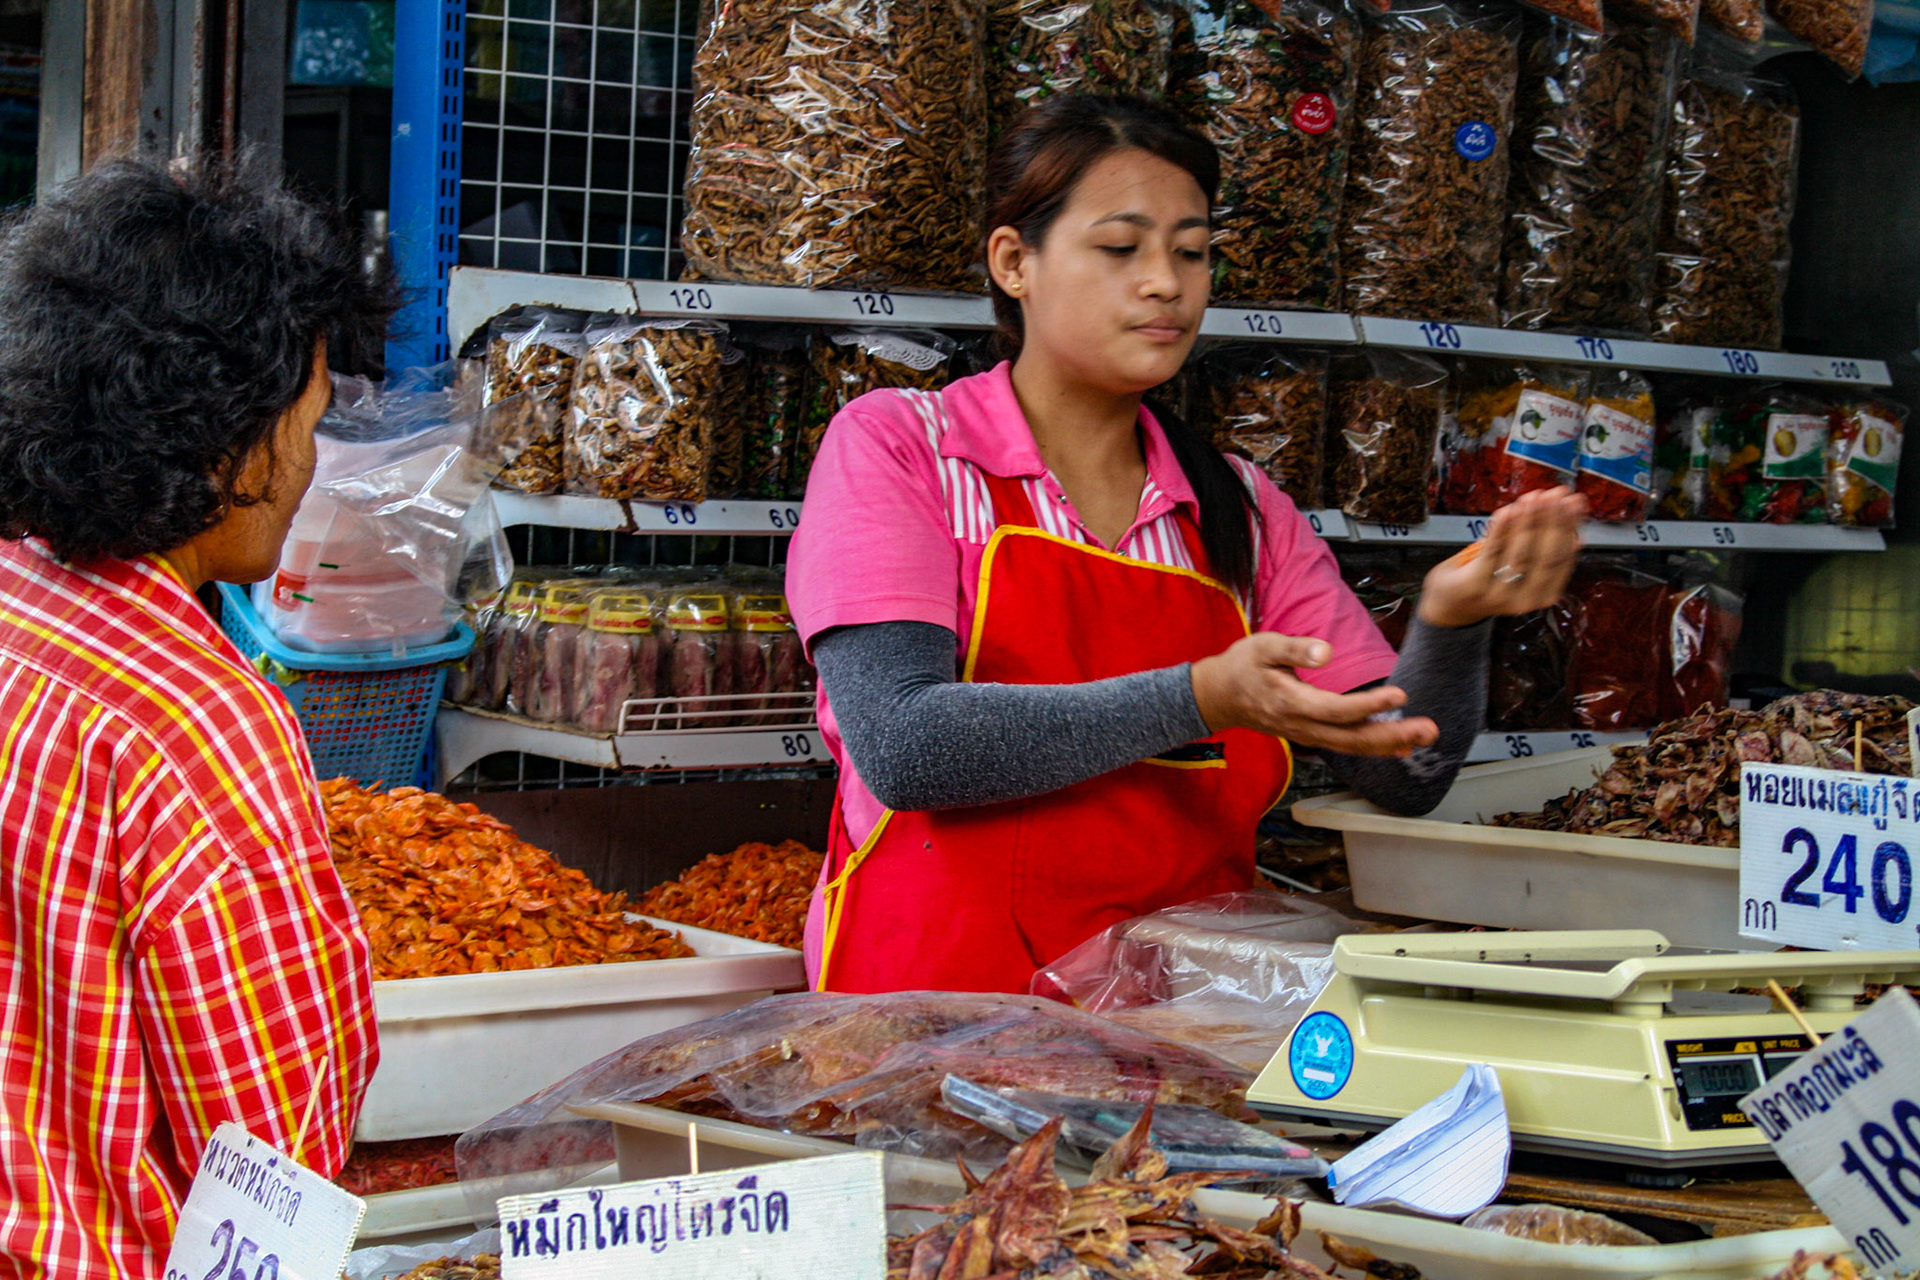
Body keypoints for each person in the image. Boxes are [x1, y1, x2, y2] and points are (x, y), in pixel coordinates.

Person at [786, 95, 1585, 995]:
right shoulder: (903, 447)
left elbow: (1407, 774)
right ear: (1016, 262)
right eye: (1121, 249)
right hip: (937, 1014)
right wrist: (1204, 696)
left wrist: (1452, 620)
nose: (1167, 282)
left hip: (1178, 1032)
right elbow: (907, 747)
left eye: (1193, 251)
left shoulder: (1238, 507)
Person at [0, 158, 397, 1277]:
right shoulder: (192, 720)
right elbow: (271, 1149)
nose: (311, 466)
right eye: (309, 423)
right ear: (227, 438)